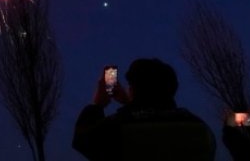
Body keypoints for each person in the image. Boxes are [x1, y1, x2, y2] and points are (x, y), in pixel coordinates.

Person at [72, 58, 215, 160]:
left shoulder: (118, 126)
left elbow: (83, 139)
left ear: (134, 89)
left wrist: (98, 105)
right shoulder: (199, 126)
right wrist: (130, 104)